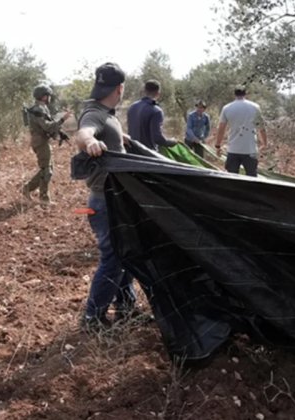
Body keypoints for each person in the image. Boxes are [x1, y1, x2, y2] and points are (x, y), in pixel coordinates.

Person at [73, 62, 139, 330]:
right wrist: (89, 142)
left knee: (127, 254)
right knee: (113, 258)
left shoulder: (107, 114)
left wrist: (120, 138)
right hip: (104, 201)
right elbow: (84, 132)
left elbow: (104, 129)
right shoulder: (95, 114)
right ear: (120, 88)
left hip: (114, 198)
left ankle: (126, 309)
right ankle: (93, 318)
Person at [21, 85, 72, 206]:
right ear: (44, 96)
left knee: (48, 169)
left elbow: (48, 125)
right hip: (40, 142)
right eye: (48, 95)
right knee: (46, 170)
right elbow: (47, 126)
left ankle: (35, 193)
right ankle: (37, 195)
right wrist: (62, 119)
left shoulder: (42, 108)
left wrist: (60, 133)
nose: (49, 98)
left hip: (42, 141)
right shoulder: (38, 109)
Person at [214, 86, 268, 176]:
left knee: (231, 177)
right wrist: (264, 143)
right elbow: (261, 128)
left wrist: (218, 145)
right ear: (245, 94)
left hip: (233, 149)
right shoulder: (255, 107)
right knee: (252, 177)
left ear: (234, 94)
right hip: (250, 149)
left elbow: (221, 128)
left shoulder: (227, 108)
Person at [126, 79, 178, 151]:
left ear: (144, 91)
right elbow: (157, 138)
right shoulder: (156, 111)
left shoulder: (132, 107)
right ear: (158, 93)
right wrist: (172, 142)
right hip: (147, 154)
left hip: (131, 151)